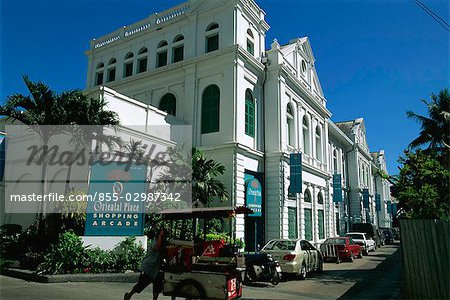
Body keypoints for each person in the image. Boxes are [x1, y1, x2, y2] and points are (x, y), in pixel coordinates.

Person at [124, 228, 166, 300]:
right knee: (141, 284)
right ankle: (129, 295)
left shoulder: (163, 244)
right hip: (149, 268)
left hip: (157, 268)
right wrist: (160, 235)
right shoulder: (154, 242)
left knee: (157, 286)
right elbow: (157, 247)